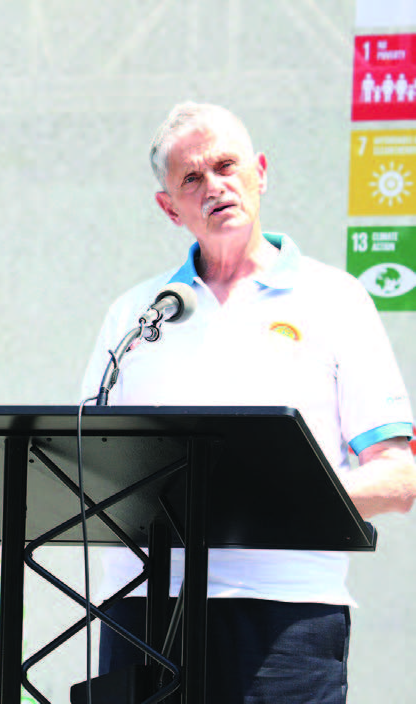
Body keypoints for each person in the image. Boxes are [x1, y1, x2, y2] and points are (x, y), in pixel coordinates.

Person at [80, 102, 416, 702]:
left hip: (283, 616)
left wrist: (264, 498)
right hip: (141, 606)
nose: (215, 187)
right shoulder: (137, 315)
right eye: (191, 178)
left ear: (260, 172)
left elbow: (398, 478)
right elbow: (85, 460)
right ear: (169, 207)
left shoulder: (335, 299)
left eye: (227, 166)